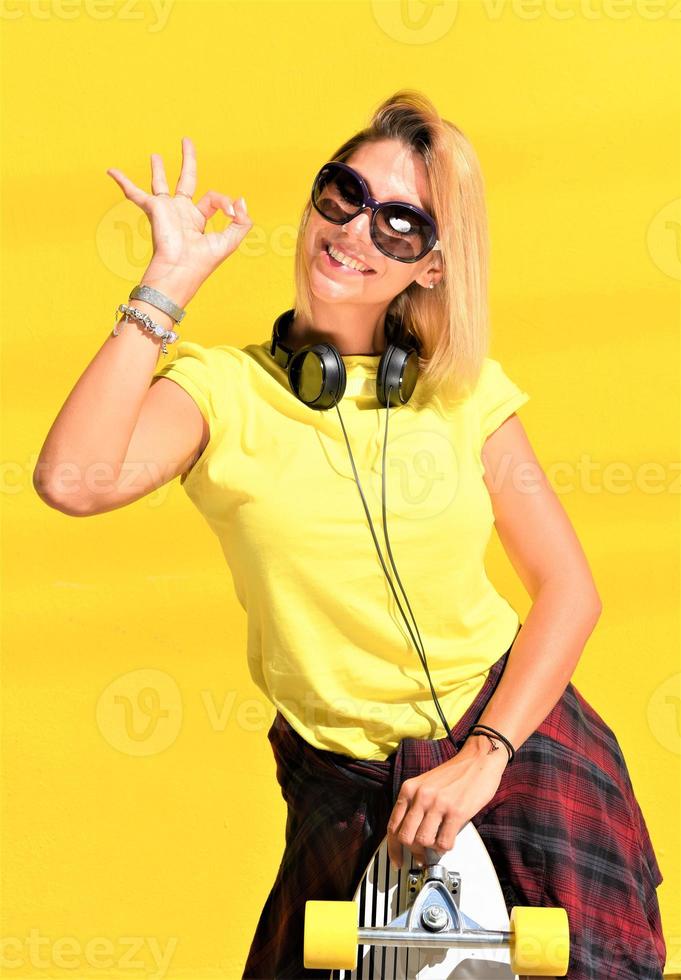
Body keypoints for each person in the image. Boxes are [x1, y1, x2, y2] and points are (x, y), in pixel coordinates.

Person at [33, 90, 666, 979]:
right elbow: (71, 480)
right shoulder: (219, 393)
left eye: (398, 225)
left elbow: (569, 590)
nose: (355, 231)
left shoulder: (464, 391)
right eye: (342, 195)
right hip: (346, 792)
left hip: (520, 757)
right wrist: (166, 282)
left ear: (433, 267)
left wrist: (485, 754)